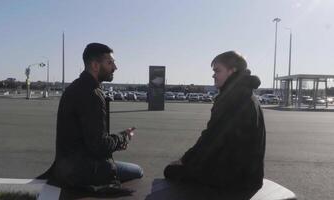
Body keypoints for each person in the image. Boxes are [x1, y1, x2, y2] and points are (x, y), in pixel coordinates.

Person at [37, 43, 143, 192]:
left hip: (66, 166)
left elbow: (90, 139)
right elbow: (98, 146)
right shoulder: (92, 94)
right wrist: (123, 138)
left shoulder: (75, 87)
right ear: (94, 65)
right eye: (110, 62)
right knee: (137, 171)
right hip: (81, 171)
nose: (115, 67)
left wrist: (116, 140)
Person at [164, 51, 266, 197]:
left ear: (232, 71)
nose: (213, 75)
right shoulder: (246, 93)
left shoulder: (232, 97)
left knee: (170, 171)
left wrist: (184, 160)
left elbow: (211, 138)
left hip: (235, 178)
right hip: (250, 175)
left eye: (217, 70)